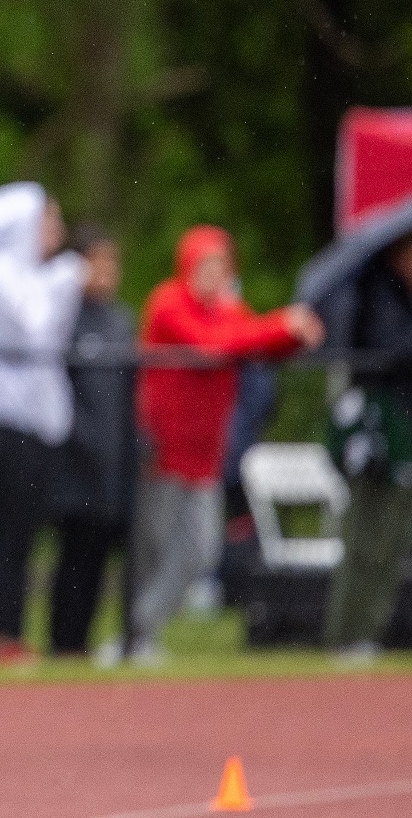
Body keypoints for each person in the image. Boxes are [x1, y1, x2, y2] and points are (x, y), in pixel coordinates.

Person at [130, 226, 320, 662]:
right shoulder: (168, 303)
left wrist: (292, 332)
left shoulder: (226, 310)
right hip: (162, 451)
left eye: (221, 266)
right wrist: (281, 324)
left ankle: (141, 626)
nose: (214, 275)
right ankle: (136, 636)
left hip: (205, 456)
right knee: (153, 545)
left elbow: (254, 341)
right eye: (206, 265)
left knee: (201, 549)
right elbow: (214, 345)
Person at [0, 182, 86, 664]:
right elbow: (35, 331)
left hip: (33, 420)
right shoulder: (1, 273)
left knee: (24, 532)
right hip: (3, 418)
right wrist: (68, 279)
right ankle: (2, 632)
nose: (57, 229)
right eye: (47, 218)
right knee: (6, 531)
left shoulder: (33, 274)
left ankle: (12, 629)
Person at [47, 226, 138, 659]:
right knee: (72, 556)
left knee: (100, 557)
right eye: (95, 261)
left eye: (111, 262)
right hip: (73, 460)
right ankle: (61, 641)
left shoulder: (122, 321)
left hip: (113, 460)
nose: (104, 272)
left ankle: (83, 642)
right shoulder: (63, 316)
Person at [324, 229, 412, 659]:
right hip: (377, 427)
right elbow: (386, 350)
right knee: (367, 535)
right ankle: (347, 631)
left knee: (394, 538)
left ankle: (370, 631)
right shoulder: (374, 295)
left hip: (403, 427)